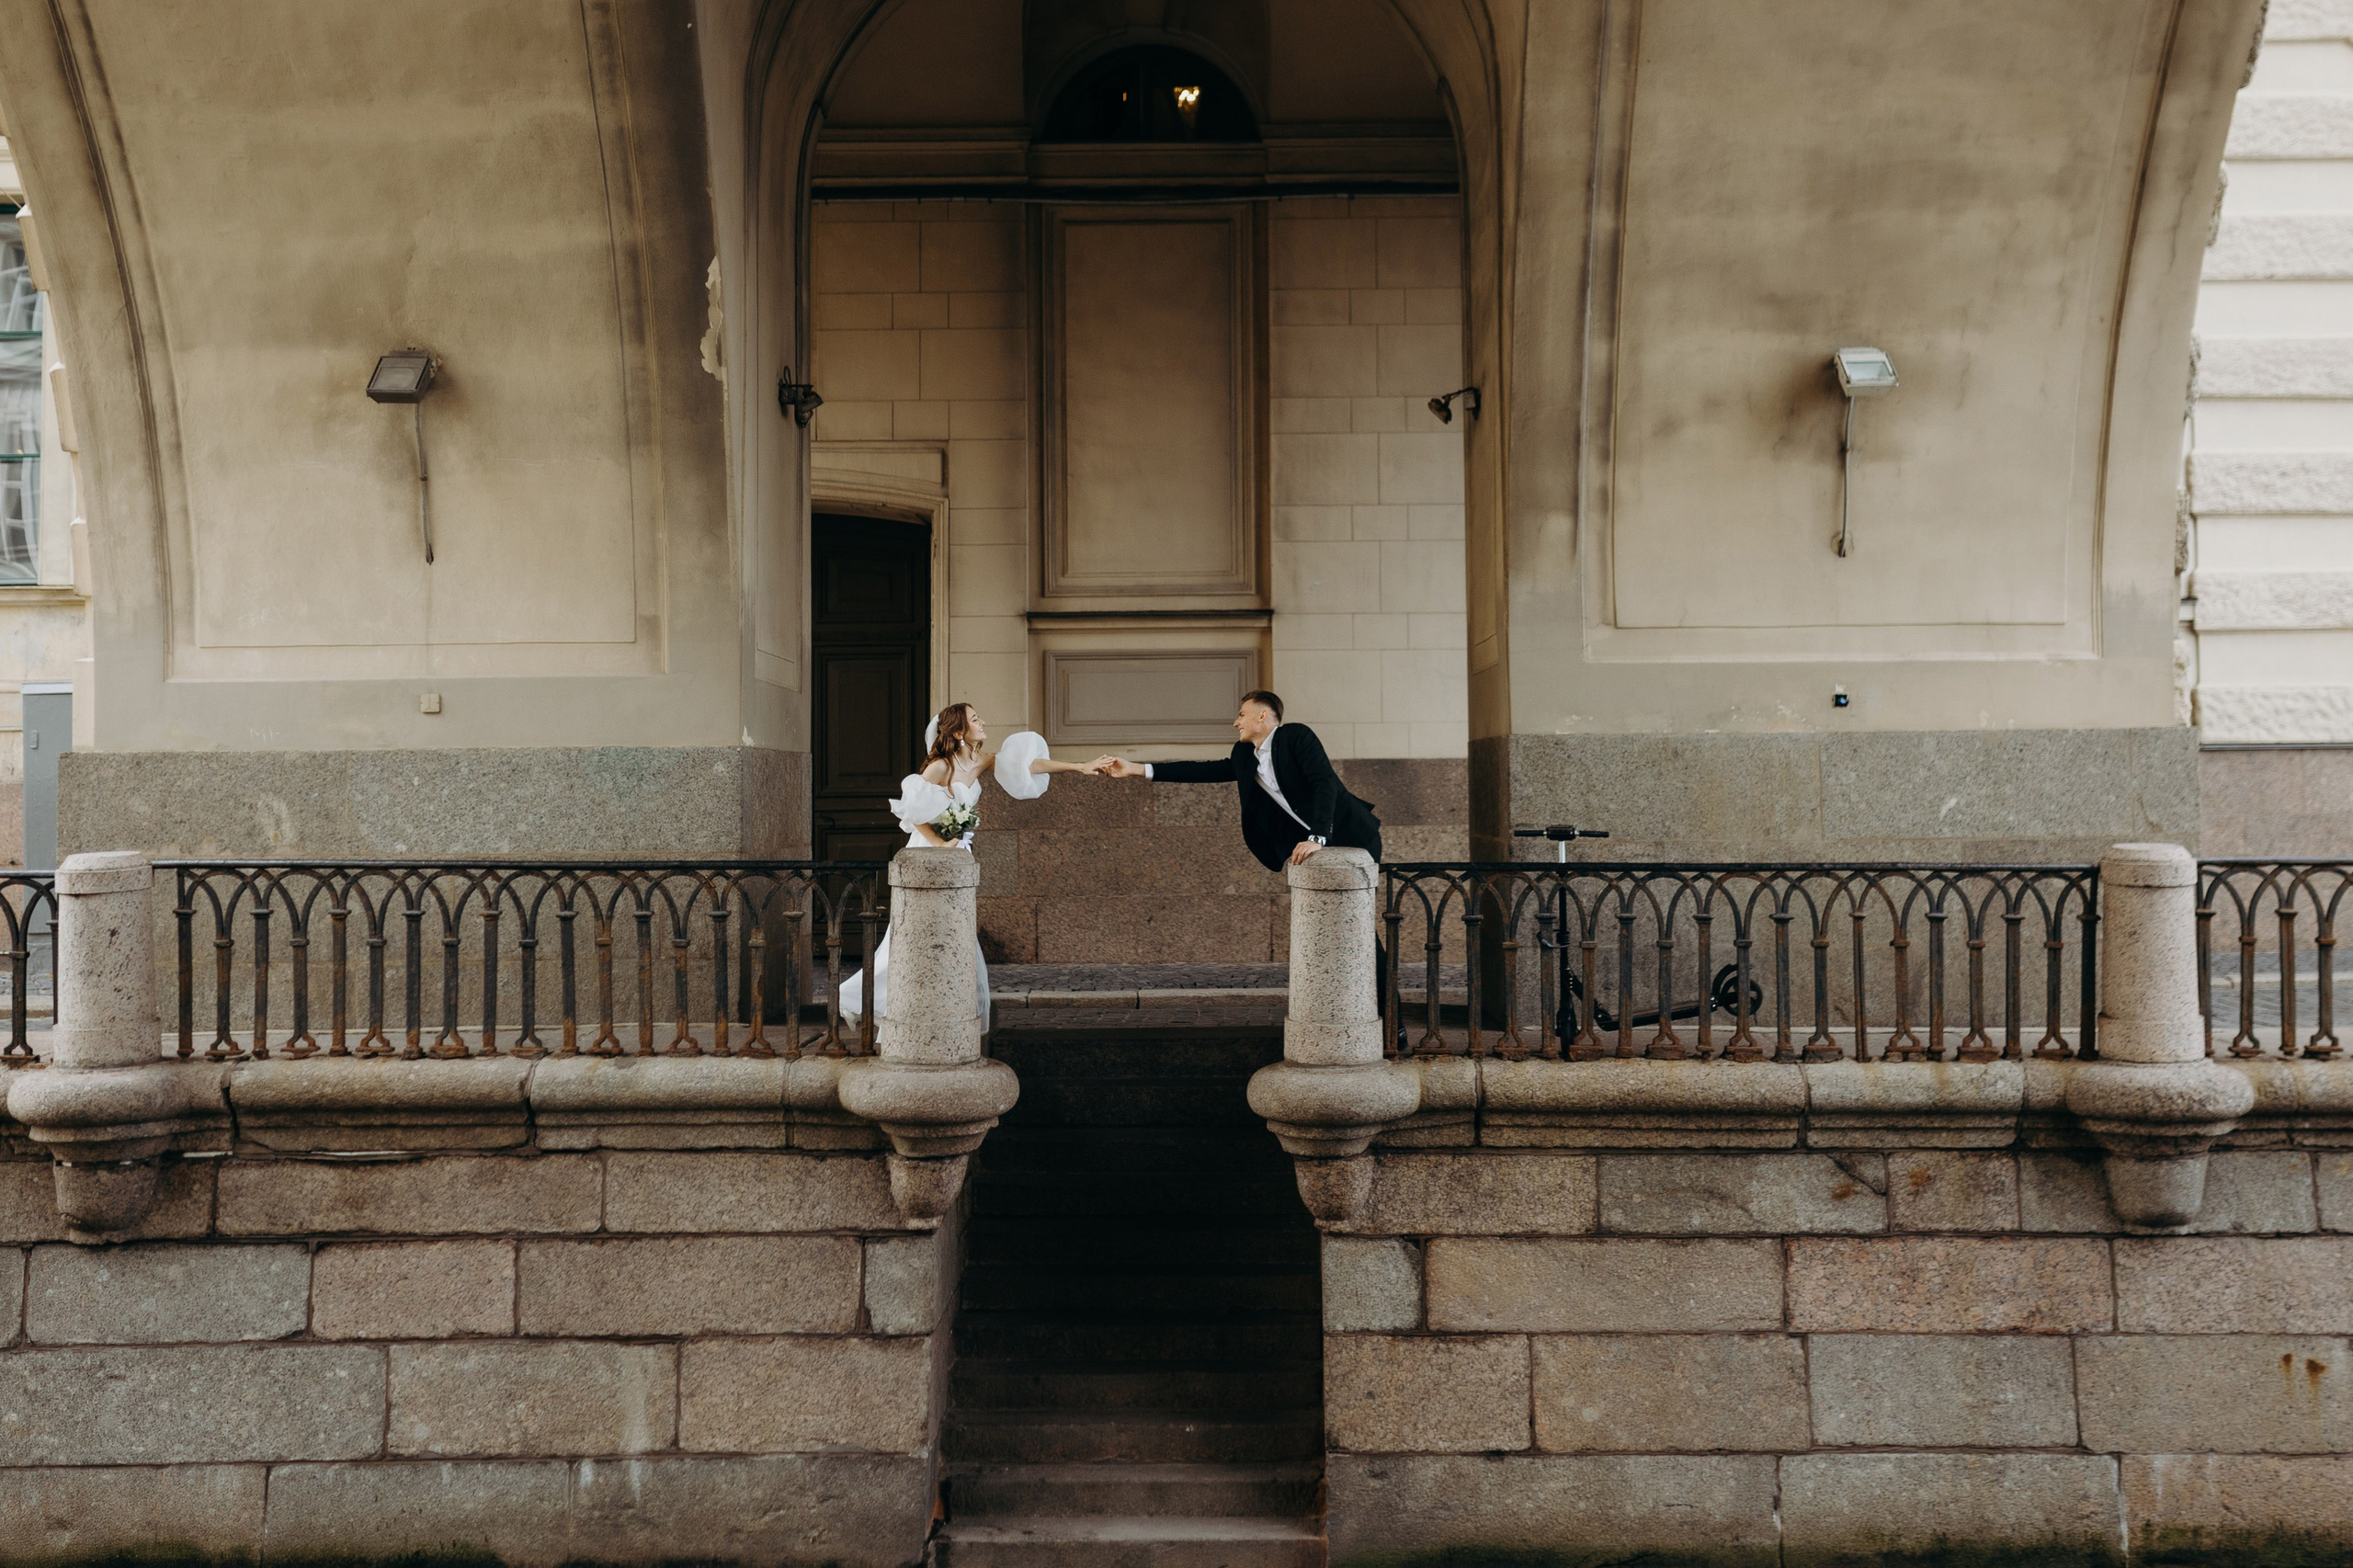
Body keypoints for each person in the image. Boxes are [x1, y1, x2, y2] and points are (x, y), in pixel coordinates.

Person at [839, 702, 1107, 1030]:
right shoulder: (939, 766)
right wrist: (941, 844)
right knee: (910, 935)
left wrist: (1080, 766)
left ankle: (935, 1000)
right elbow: (910, 812)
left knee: (949, 931)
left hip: (958, 854)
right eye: (975, 719)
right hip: (929, 852)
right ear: (957, 731)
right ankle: (858, 997)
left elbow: (1029, 765)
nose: (983, 722)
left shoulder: (979, 760)